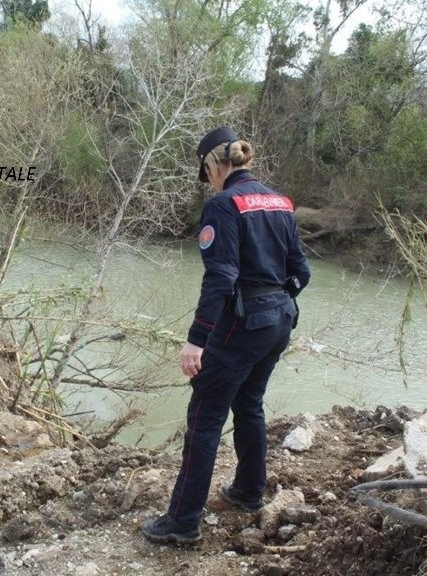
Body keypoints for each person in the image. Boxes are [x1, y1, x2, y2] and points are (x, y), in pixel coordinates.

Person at [141, 126, 310, 544]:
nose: (208, 181)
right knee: (249, 403)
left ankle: (182, 522)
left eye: (206, 172)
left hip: (244, 321)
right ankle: (249, 491)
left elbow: (221, 277)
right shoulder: (280, 202)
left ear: (214, 164)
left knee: (205, 416)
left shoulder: (224, 205)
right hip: (281, 318)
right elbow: (301, 271)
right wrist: (274, 304)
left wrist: (196, 339)